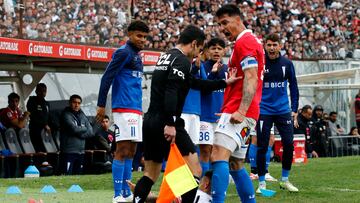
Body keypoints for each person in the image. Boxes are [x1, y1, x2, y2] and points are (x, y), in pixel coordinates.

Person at [133, 24, 239, 203]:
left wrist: (224, 83)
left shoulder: (166, 56)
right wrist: (171, 123)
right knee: (195, 171)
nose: (198, 55)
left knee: (150, 174)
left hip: (150, 120)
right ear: (195, 43)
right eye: (199, 49)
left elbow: (195, 83)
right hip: (166, 122)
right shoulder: (182, 60)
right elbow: (172, 92)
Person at [210, 4, 264, 203]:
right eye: (219, 24)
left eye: (225, 22)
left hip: (241, 111)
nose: (222, 28)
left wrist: (239, 110)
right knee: (236, 164)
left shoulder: (245, 42)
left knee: (218, 155)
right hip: (244, 111)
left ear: (239, 19)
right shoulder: (246, 43)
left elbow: (251, 77)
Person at [95, 20, 149, 203]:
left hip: (135, 109)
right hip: (123, 107)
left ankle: (126, 192)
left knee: (132, 151)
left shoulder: (137, 55)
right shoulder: (123, 52)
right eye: (139, 36)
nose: (142, 40)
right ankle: (117, 194)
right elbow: (107, 77)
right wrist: (101, 104)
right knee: (122, 149)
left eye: (144, 37)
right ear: (130, 34)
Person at [255, 33, 300, 193]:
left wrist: (294, 109)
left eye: (275, 45)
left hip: (282, 110)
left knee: (288, 144)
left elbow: (294, 86)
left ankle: (285, 180)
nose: (272, 48)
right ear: (265, 46)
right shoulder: (260, 63)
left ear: (280, 46)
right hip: (264, 110)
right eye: (269, 45)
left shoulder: (287, 64)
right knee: (262, 146)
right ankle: (261, 184)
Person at [198, 38, 228, 176]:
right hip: (205, 115)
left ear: (224, 51)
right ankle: (204, 180)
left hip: (222, 116)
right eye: (213, 48)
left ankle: (217, 178)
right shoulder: (202, 67)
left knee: (219, 150)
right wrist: (213, 73)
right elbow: (204, 88)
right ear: (208, 51)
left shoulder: (228, 69)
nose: (216, 51)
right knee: (205, 150)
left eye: (219, 48)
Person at [60, 94, 94, 175]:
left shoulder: (82, 115)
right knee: (67, 176)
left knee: (78, 177)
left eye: (79, 103)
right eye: (74, 102)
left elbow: (91, 132)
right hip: (69, 151)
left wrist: (80, 134)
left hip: (81, 152)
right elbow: (74, 129)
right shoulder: (65, 115)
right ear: (70, 103)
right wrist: (84, 128)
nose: (76, 105)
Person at [26, 83, 50, 152]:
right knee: (38, 149)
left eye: (44, 91)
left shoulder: (46, 103)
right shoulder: (32, 101)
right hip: (35, 129)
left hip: (45, 130)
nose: (42, 93)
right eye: (40, 91)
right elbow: (33, 115)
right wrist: (44, 124)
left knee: (45, 149)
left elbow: (47, 116)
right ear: (36, 91)